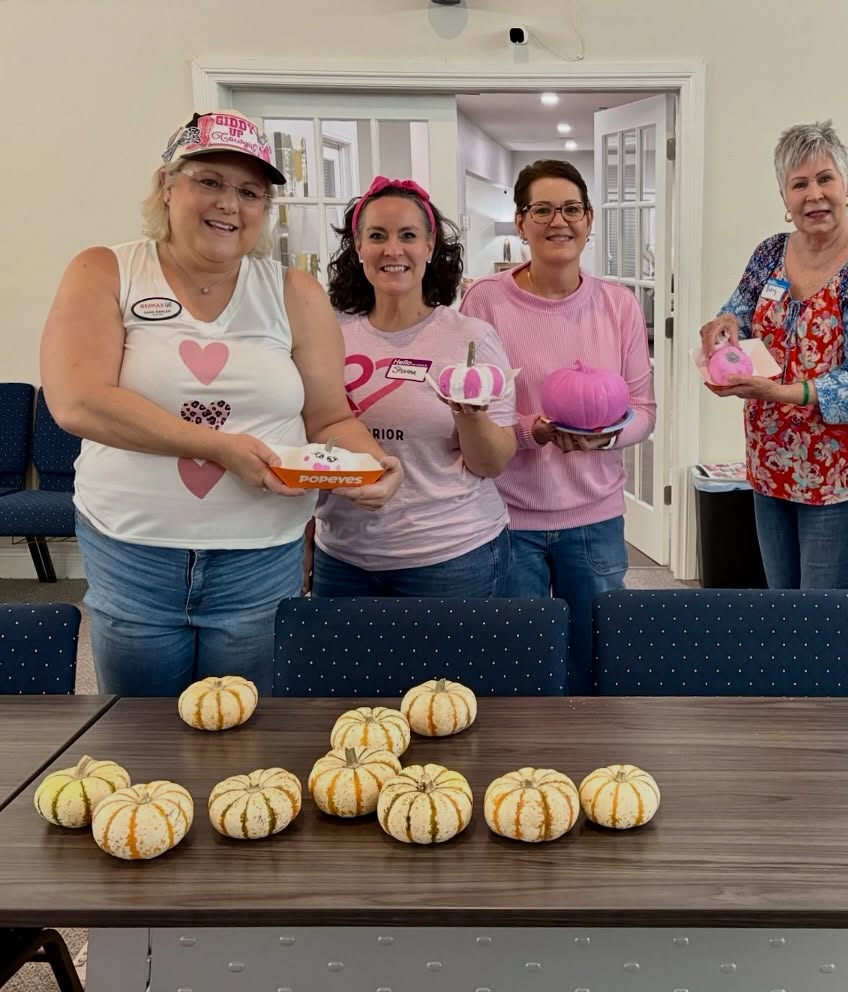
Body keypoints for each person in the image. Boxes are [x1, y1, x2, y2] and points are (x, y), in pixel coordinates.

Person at [38, 110, 402, 697]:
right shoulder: (106, 270)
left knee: (246, 724)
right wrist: (220, 447)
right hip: (133, 550)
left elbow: (329, 417)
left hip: (260, 557)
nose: (229, 204)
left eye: (250, 192)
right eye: (209, 181)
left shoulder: (294, 292)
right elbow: (79, 402)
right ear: (167, 186)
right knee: (140, 728)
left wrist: (369, 464)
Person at [459, 160, 656, 693]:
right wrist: (534, 429)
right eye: (542, 210)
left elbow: (644, 410)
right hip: (506, 518)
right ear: (521, 223)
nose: (558, 221)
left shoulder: (619, 305)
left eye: (571, 209)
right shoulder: (485, 301)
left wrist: (607, 436)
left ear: (589, 220)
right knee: (518, 664)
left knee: (597, 658)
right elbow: (474, 404)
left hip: (595, 518)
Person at [699, 120, 848, 591]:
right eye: (799, 184)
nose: (814, 195)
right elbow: (738, 317)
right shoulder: (769, 253)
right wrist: (722, 328)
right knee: (782, 605)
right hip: (771, 463)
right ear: (784, 198)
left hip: (844, 474)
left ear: (846, 185)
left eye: (825, 178)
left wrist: (779, 392)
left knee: (822, 611)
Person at [315, 176, 516, 597]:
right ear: (358, 247)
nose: (393, 250)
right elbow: (314, 442)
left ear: (429, 246)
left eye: (408, 235)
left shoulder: (470, 338)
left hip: (451, 555)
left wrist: (468, 414)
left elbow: (492, 463)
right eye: (377, 236)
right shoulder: (328, 332)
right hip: (342, 556)